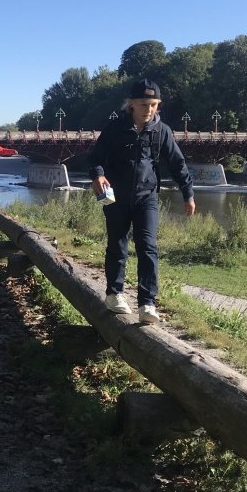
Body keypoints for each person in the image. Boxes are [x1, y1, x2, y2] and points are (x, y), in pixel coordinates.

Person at [87, 78, 196, 324]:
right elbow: (95, 158)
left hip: (147, 197)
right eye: (144, 104)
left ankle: (147, 303)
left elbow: (177, 164)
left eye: (154, 105)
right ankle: (114, 294)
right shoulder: (115, 129)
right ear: (132, 104)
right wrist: (98, 174)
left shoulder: (161, 131)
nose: (149, 110)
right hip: (116, 197)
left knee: (148, 247)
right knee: (117, 245)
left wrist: (188, 193)